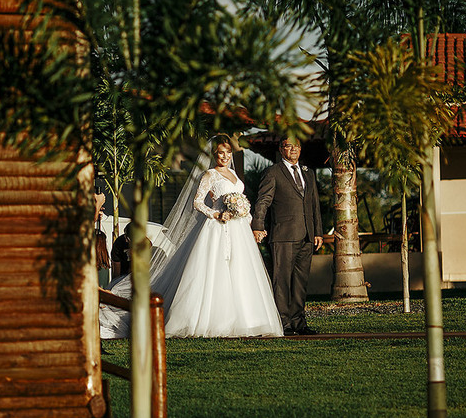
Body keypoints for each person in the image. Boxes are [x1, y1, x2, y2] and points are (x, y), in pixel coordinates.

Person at [100, 139, 283, 339]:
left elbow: (243, 204)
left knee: (240, 270)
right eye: (221, 152)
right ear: (214, 154)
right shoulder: (210, 174)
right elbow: (198, 202)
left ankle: (247, 320)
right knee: (215, 270)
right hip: (217, 227)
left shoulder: (234, 174)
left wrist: (250, 223)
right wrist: (216, 214)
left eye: (228, 152)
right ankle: (211, 320)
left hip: (238, 230)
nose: (225, 156)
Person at [251, 138, 323, 336]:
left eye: (296, 146)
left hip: (307, 235)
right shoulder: (273, 173)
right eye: (289, 146)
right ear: (281, 149)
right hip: (283, 235)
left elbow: (314, 204)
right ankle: (283, 324)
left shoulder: (308, 173)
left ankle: (299, 322)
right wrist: (257, 225)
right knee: (281, 281)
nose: (293, 149)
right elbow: (263, 201)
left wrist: (318, 231)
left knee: (300, 282)